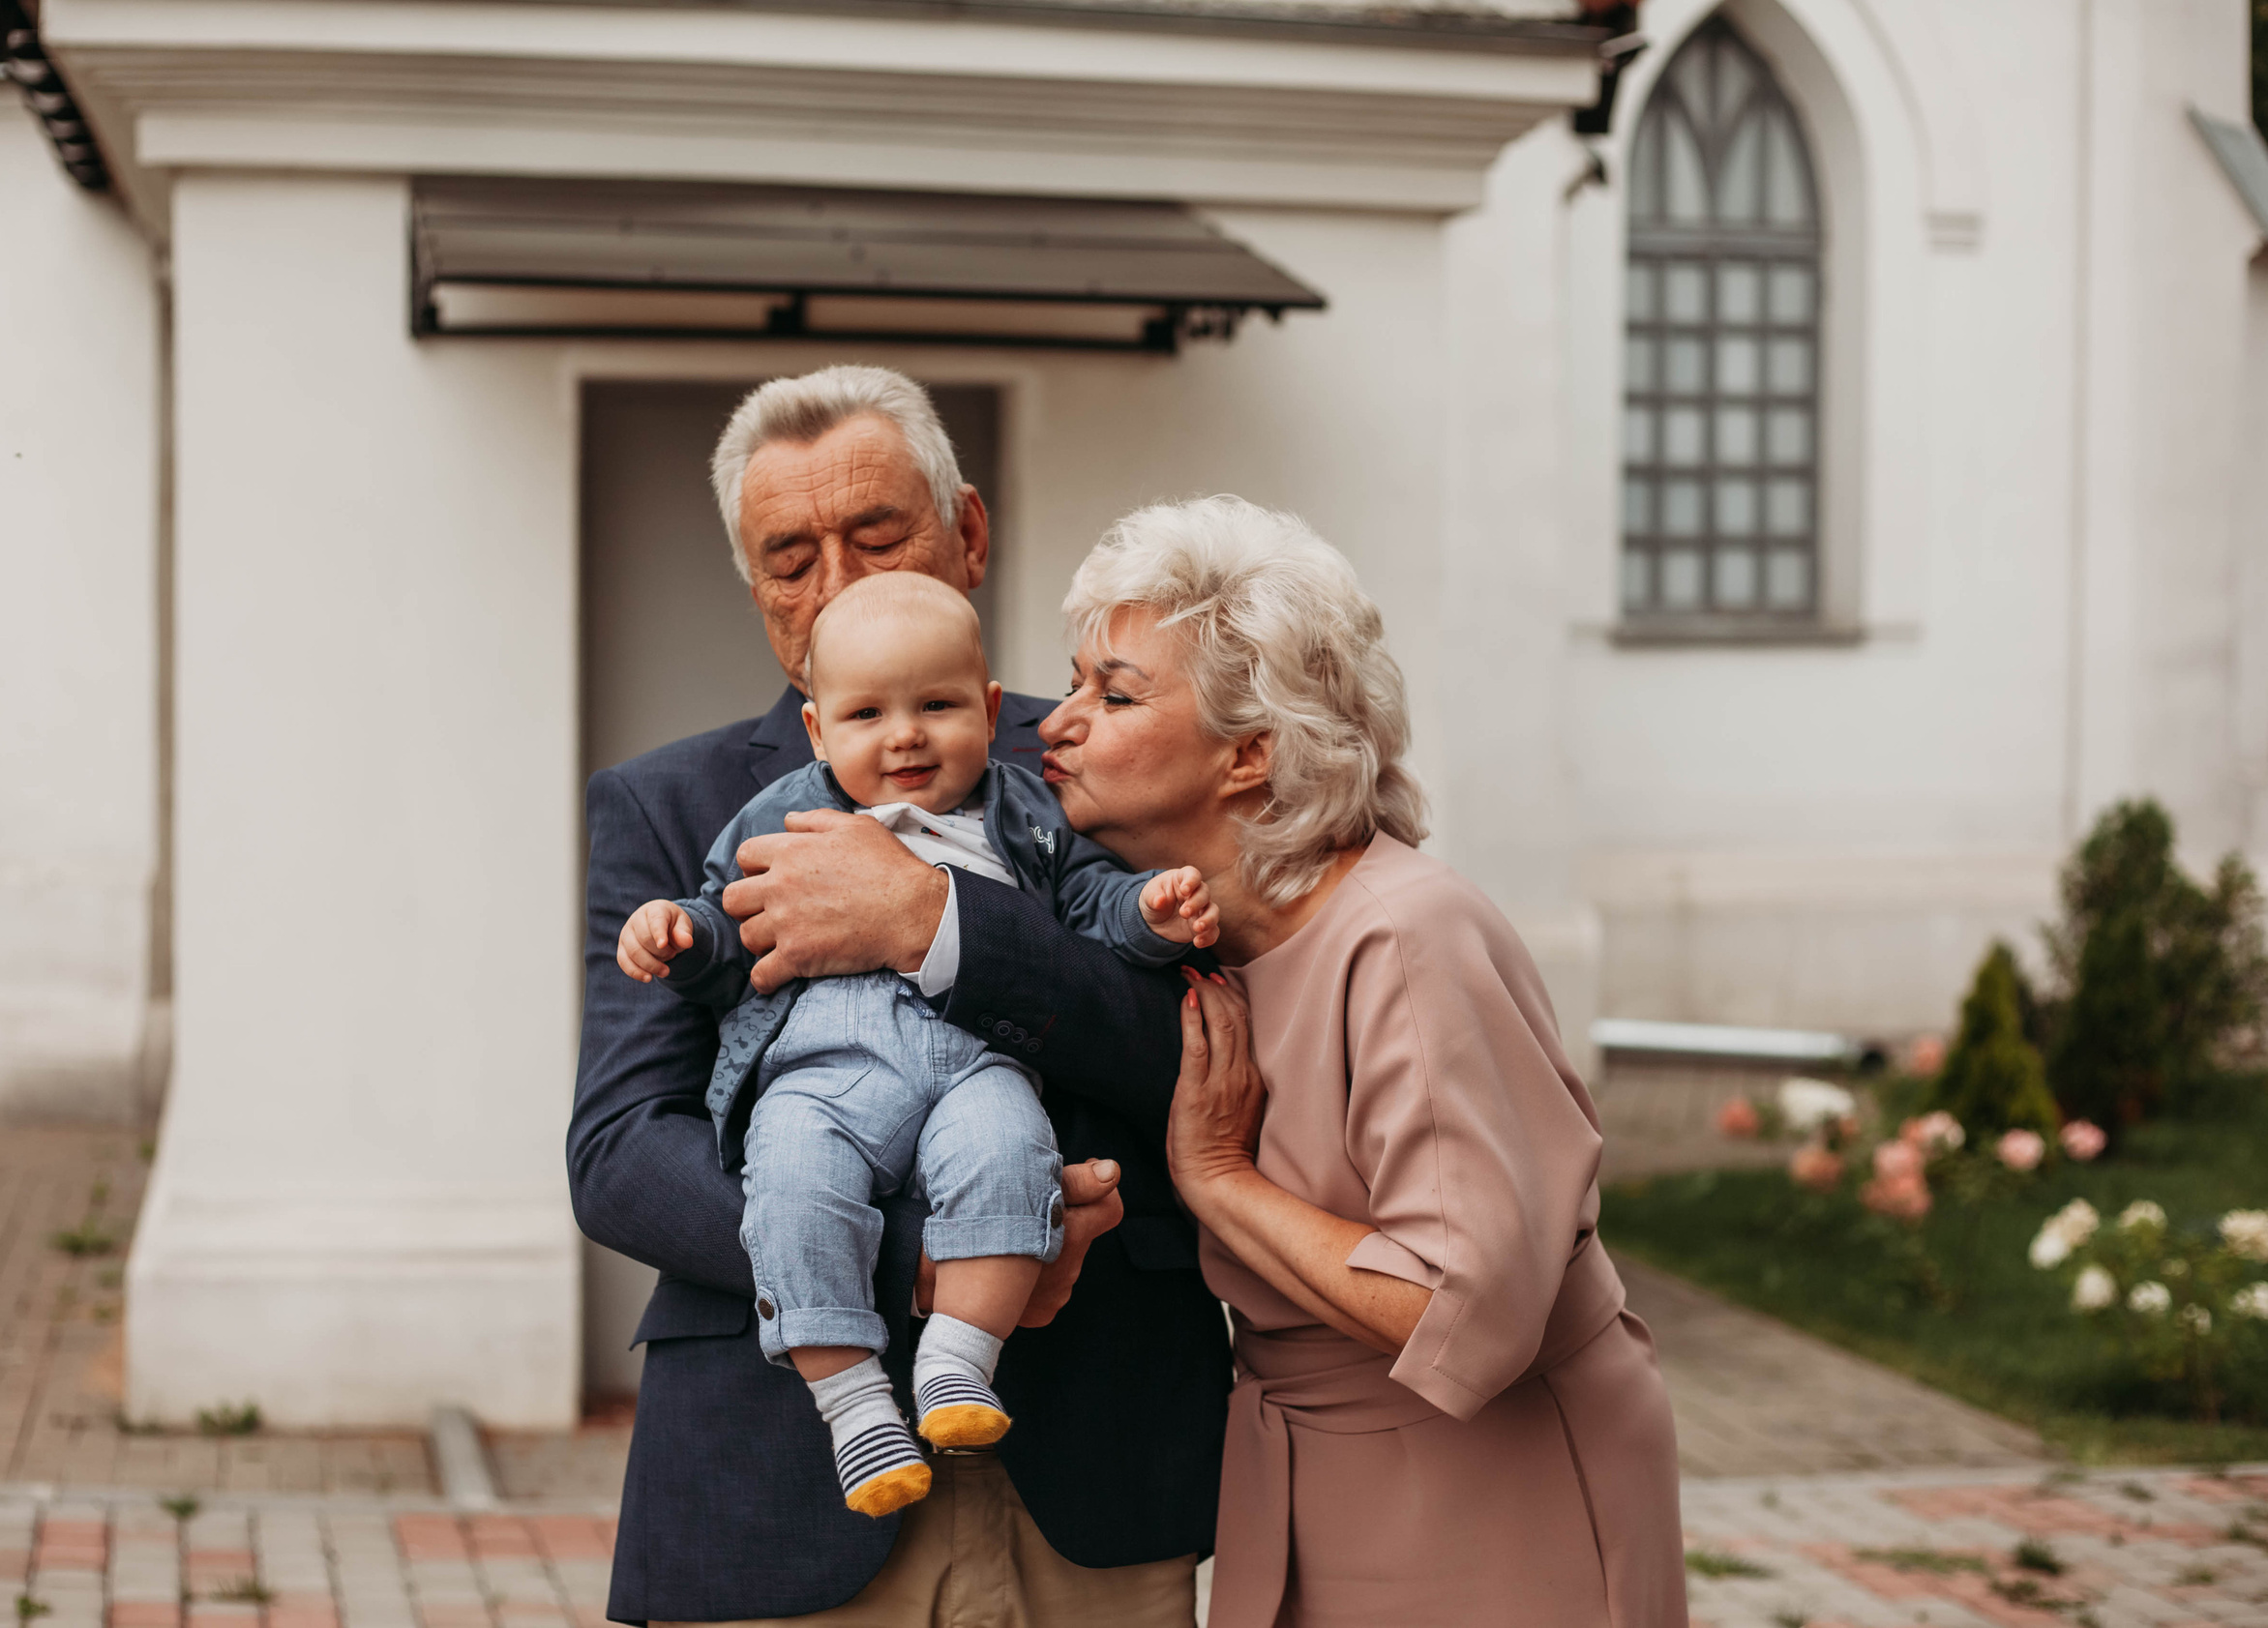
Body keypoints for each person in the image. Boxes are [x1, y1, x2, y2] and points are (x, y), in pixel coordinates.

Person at [567, 366, 1229, 1628]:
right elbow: (619, 1153)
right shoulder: (670, 804)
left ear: (967, 533)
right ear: (756, 588)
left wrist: (934, 923)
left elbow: (1194, 1051)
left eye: (878, 536)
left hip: (1096, 1454)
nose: (838, 585)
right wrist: (930, 1259)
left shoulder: (1093, 758)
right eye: (790, 559)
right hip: (778, 1475)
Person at [1038, 494, 1688, 1628]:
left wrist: (1219, 1181)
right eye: (1074, 682)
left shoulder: (1405, 936)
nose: (1058, 722)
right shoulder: (1190, 938)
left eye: (1115, 693)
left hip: (1495, 1484)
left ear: (1249, 754)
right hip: (1299, 1467)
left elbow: (1459, 1304)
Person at [617, 572, 1217, 1517]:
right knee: (790, 1187)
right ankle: (854, 1404)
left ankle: (958, 1365)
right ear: (818, 731)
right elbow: (729, 922)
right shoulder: (779, 814)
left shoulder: (1028, 814)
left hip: (975, 1066)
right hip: (820, 1078)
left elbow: (1090, 905)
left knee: (1011, 1152)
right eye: (867, 714)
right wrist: (683, 938)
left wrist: (1147, 914)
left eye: (937, 706)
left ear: (989, 711)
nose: (905, 735)